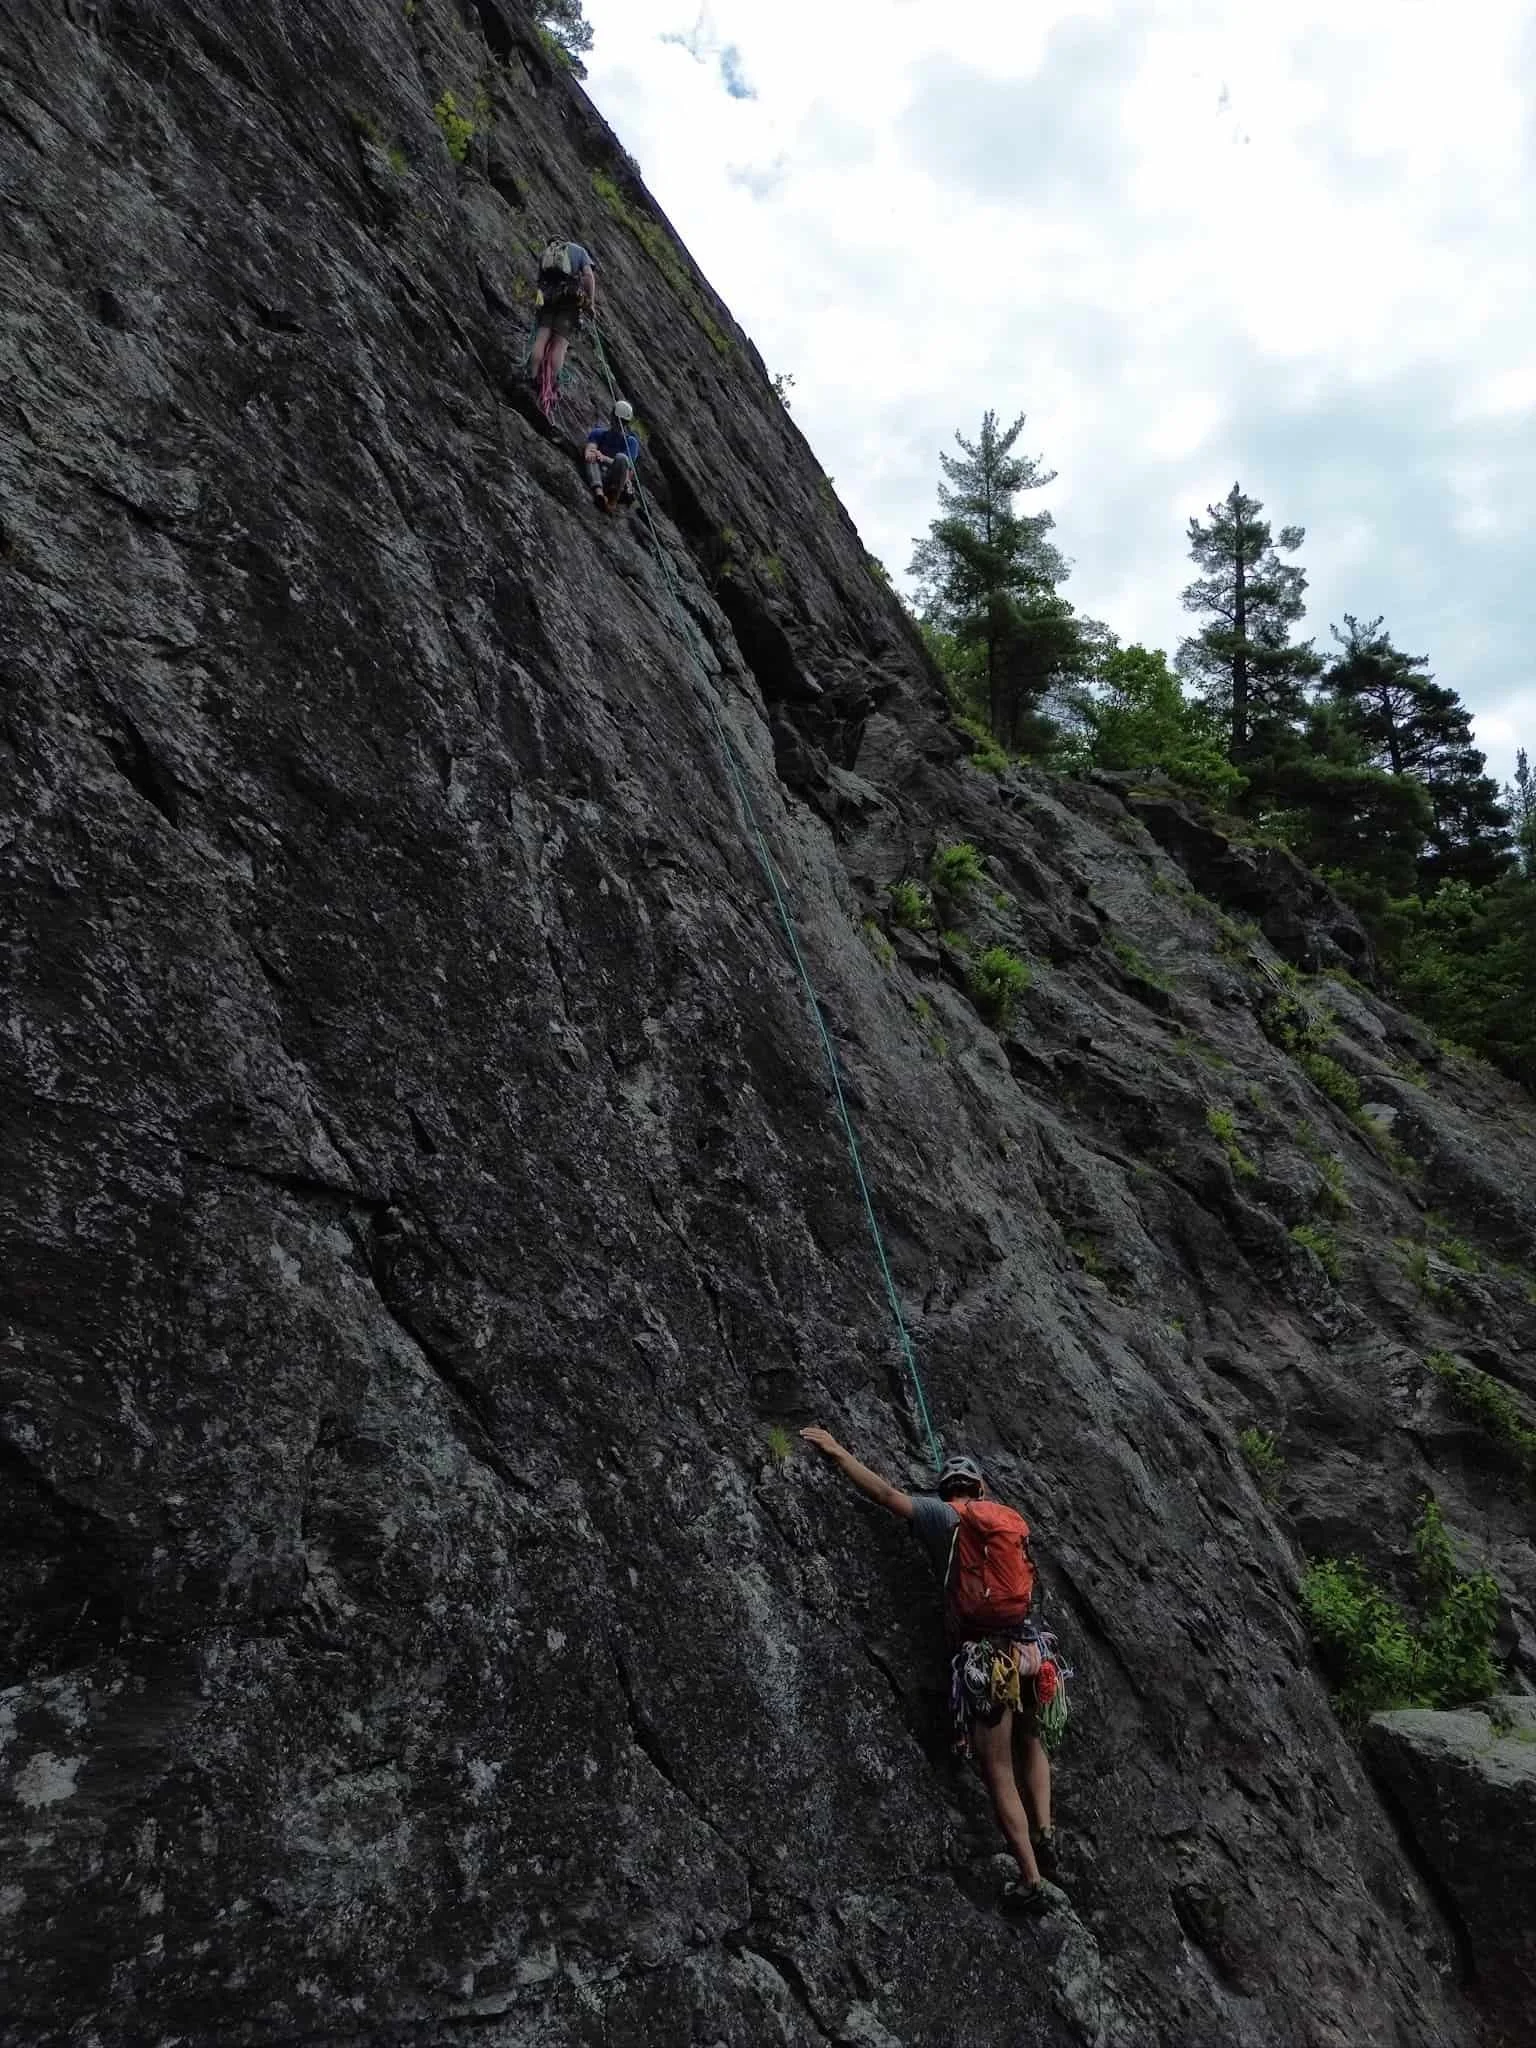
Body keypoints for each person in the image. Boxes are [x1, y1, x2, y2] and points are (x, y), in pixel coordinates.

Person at [800, 1428, 1067, 1915]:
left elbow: (885, 1495)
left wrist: (838, 1451)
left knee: (998, 1767)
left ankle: (1030, 1878)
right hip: (1030, 1649)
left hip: (986, 1659)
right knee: (1034, 1741)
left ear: (946, 1489)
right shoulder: (1004, 1521)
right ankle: (1045, 1828)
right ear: (980, 1489)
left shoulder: (938, 1515)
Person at [530, 238, 598, 392]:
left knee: (541, 338)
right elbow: (588, 277)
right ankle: (550, 386)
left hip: (548, 300)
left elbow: (540, 282)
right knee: (560, 345)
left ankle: (532, 377)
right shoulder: (578, 250)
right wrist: (591, 304)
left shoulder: (545, 254)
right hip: (569, 302)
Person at [584, 401, 640, 514]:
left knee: (621, 458)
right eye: (619, 421)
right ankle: (599, 494)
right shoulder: (598, 433)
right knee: (591, 456)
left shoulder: (631, 442)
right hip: (598, 475)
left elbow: (625, 467)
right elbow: (589, 452)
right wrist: (594, 454)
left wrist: (603, 458)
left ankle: (612, 501)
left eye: (622, 422)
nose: (619, 424)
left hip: (616, 482)